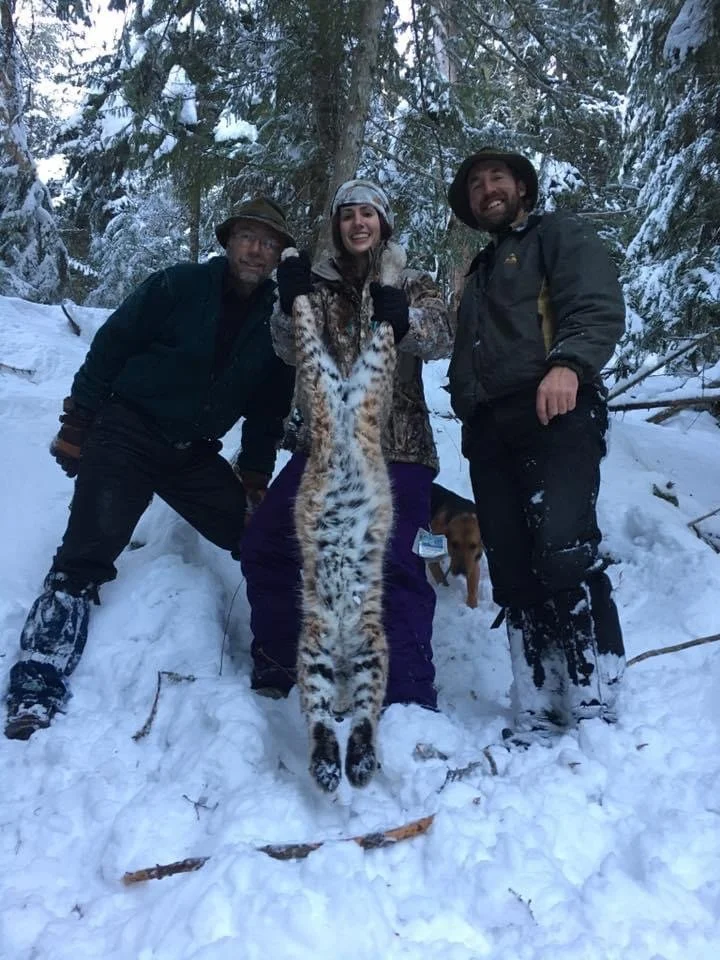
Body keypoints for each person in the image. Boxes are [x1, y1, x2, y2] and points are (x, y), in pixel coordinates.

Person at [4, 197, 296, 740]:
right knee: (85, 556)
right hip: (127, 432)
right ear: (228, 241)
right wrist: (78, 424)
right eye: (248, 237)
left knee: (257, 537)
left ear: (280, 254)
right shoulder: (177, 285)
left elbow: (268, 410)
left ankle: (283, 655)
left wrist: (255, 477)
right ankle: (36, 683)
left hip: (191, 454)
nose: (257, 249)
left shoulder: (276, 321)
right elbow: (111, 348)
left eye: (269, 242)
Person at [240, 179, 454, 710]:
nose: (359, 223)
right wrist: (290, 305)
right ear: (337, 226)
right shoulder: (316, 284)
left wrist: (401, 318)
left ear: (383, 223)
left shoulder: (412, 282)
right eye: (348, 215)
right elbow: (289, 351)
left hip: (396, 447)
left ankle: (406, 695)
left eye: (369, 214)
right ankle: (279, 660)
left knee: (395, 563)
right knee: (269, 542)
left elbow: (440, 337)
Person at [446, 146, 626, 743]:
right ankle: (538, 694)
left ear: (522, 188)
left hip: (556, 406)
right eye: (475, 183)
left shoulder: (556, 235)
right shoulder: (479, 271)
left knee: (563, 544)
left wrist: (570, 365)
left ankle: (595, 685)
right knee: (511, 562)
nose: (486, 188)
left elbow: (595, 305)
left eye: (498, 177)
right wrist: (466, 405)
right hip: (490, 427)